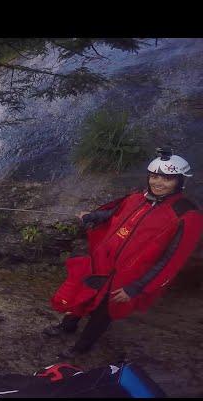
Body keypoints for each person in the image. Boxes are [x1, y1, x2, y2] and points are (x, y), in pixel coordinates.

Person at [44, 148, 203, 359]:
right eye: (155, 176)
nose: (158, 182)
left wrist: (136, 287)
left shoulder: (186, 214)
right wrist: (93, 216)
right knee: (82, 294)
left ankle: (81, 347)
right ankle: (68, 325)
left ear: (180, 181)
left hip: (128, 277)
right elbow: (115, 214)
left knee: (103, 311)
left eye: (167, 178)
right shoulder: (138, 198)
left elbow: (171, 260)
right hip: (102, 263)